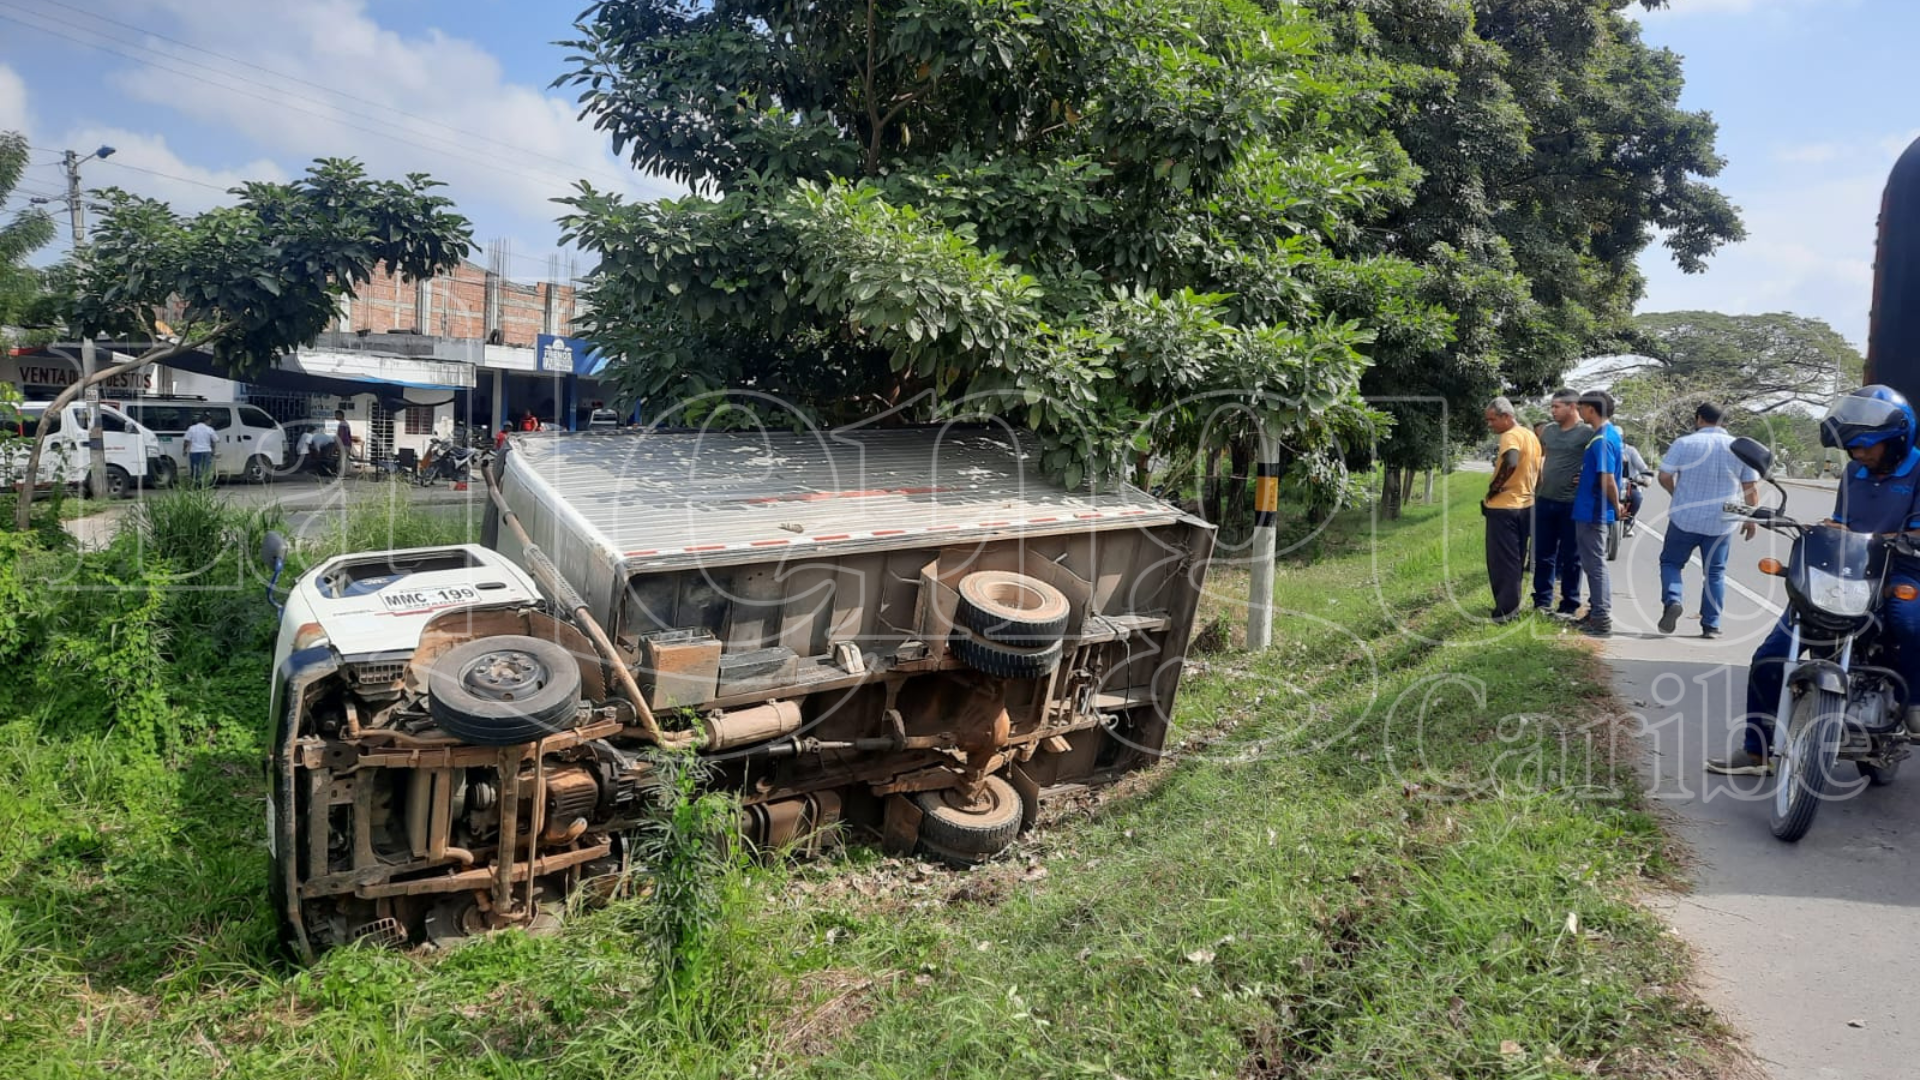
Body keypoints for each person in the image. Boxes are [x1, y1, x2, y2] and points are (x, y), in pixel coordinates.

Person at [1711, 385, 1920, 775]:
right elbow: (1842, 522)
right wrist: (1820, 529)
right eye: (1853, 448)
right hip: (1851, 571)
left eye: (1866, 447)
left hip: (1902, 568)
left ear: (1897, 441)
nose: (1858, 455)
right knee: (1770, 655)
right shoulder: (1855, 471)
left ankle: (1915, 702)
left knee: (1909, 621)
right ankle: (1756, 749)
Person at [1655, 403, 1760, 639]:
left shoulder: (1684, 443)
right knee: (1715, 573)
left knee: (1671, 563)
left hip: (1684, 517)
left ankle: (1673, 599)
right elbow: (1750, 487)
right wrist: (1750, 518)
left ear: (1699, 418)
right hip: (1722, 521)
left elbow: (1663, 475)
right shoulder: (1738, 448)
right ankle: (1711, 624)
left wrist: (1676, 493)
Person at [1531, 389, 1595, 616]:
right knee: (1543, 554)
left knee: (1571, 556)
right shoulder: (1548, 431)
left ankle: (1569, 604)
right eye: (1552, 407)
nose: (1553, 411)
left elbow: (1600, 456)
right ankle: (1542, 601)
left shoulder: (1587, 433)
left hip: (1571, 503)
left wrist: (1586, 474)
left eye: (1557, 407)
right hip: (1545, 499)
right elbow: (1543, 457)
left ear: (1572, 407)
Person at [1482, 397, 1542, 622]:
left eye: (1492, 420)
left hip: (1504, 507)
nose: (1490, 425)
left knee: (1502, 562)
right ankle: (1511, 607)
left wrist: (1494, 488)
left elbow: (1512, 460)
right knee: (1516, 559)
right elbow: (1539, 471)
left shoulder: (1511, 436)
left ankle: (1505, 613)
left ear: (1506, 417)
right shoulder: (1531, 436)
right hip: (1526, 505)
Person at [1570, 391, 1624, 637]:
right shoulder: (1604, 436)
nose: (1579, 412)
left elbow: (1607, 478)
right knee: (1592, 564)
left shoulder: (1602, 439)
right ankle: (1595, 612)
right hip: (1590, 507)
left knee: (1595, 565)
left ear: (1590, 409)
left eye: (1580, 408)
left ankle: (1601, 617)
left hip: (1593, 511)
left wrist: (1617, 505)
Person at [183, 412, 218, 485]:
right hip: (206, 451)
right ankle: (205, 484)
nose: (210, 422)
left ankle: (195, 484)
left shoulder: (191, 428)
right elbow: (215, 440)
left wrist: (184, 450)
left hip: (194, 451)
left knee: (195, 469)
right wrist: (213, 450)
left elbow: (186, 441)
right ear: (207, 420)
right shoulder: (209, 429)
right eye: (210, 421)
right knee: (206, 469)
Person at [334, 410, 354, 480]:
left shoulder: (342, 424)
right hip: (347, 444)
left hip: (343, 444)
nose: (335, 416)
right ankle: (347, 474)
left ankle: (342, 474)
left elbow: (341, 435)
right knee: (346, 459)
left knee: (342, 459)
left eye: (336, 415)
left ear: (340, 415)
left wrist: (337, 444)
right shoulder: (346, 423)